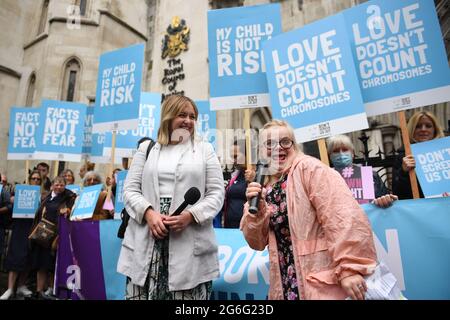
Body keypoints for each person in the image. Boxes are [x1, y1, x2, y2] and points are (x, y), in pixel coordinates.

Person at [241, 120, 377, 300]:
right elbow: (256, 242)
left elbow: (343, 217)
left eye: (285, 141)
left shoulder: (311, 169)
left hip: (321, 282)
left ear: (294, 145)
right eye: (270, 144)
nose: (278, 148)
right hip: (285, 282)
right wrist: (257, 210)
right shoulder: (263, 188)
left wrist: (349, 268)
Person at [117, 95, 224, 300]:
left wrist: (191, 215)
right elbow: (130, 190)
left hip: (189, 237)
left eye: (192, 116)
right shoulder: (146, 149)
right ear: (168, 116)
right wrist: (148, 214)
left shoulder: (205, 150)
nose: (188, 120)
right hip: (147, 237)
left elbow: (217, 193)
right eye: (182, 115)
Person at [28, 176, 76, 300]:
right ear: (52, 185)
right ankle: (39, 291)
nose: (59, 187)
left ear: (65, 186)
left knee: (52, 265)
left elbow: (71, 211)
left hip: (56, 236)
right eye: (57, 185)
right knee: (41, 264)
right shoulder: (47, 197)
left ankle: (52, 290)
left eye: (61, 185)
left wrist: (67, 210)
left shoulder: (69, 197)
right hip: (41, 235)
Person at [0, 170, 45, 300]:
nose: (36, 181)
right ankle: (9, 289)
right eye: (34, 178)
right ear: (29, 180)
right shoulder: (18, 193)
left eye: (38, 179)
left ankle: (21, 286)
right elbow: (8, 207)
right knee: (15, 257)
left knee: (28, 258)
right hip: (20, 228)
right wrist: (13, 200)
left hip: (33, 229)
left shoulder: (42, 196)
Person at [326, 134, 398, 208]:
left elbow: (384, 199)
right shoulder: (325, 179)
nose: (341, 154)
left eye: (345, 150)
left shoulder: (368, 175)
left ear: (352, 153)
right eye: (336, 151)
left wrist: (385, 200)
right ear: (330, 156)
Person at [392, 111, 445, 199]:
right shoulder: (403, 157)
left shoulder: (446, 152)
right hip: (420, 208)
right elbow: (398, 194)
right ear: (412, 130)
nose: (423, 129)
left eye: (428, 126)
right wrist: (404, 172)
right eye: (418, 126)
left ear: (435, 130)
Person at [217, 140, 255, 228]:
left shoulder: (259, 174)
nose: (233, 160)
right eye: (232, 157)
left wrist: (254, 180)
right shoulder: (235, 175)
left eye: (236, 156)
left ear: (247, 155)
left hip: (247, 228)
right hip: (229, 227)